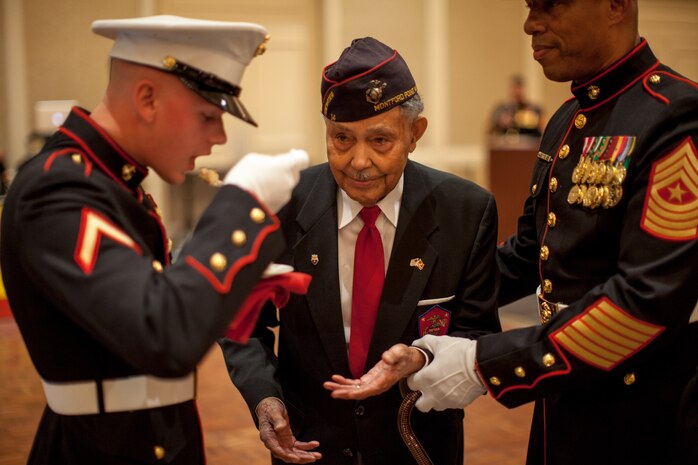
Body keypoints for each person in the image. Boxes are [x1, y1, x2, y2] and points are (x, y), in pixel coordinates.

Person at [326, 1, 698, 465]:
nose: (530, 23)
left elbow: (646, 303)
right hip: (563, 396)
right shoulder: (568, 119)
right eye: (528, 6)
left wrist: (483, 363)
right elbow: (531, 254)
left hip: (641, 413)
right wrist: (417, 300)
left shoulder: (676, 119)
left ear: (616, 5)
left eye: (551, 6)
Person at [0, 15, 309, 465]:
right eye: (208, 115)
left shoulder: (109, 183)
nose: (218, 137)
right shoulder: (59, 189)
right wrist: (243, 202)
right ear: (146, 98)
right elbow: (163, 336)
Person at [219, 37, 501, 465]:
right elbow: (243, 323)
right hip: (308, 446)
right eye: (341, 139)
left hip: (417, 445)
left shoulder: (466, 211)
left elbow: (478, 332)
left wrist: (423, 355)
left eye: (380, 141)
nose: (358, 161)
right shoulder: (282, 205)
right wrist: (263, 398)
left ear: (415, 133)